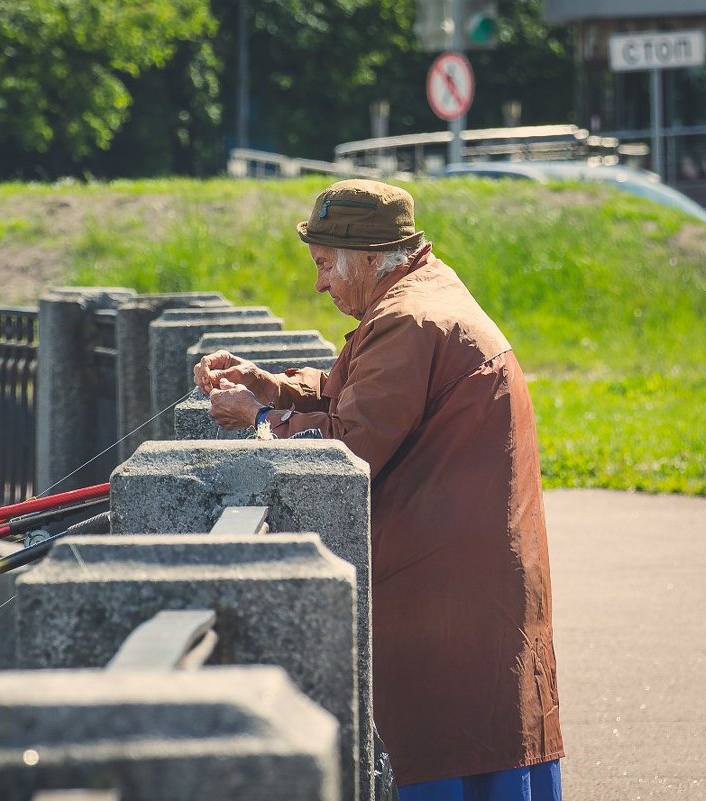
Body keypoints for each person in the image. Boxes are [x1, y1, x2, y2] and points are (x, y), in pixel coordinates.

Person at [194, 179, 564, 800]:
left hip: (445, 597)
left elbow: (351, 444)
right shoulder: (422, 293)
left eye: (323, 266)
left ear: (367, 257)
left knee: (450, 747)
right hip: (467, 582)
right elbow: (366, 393)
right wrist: (268, 385)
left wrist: (260, 421)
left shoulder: (407, 320)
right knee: (492, 740)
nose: (319, 284)